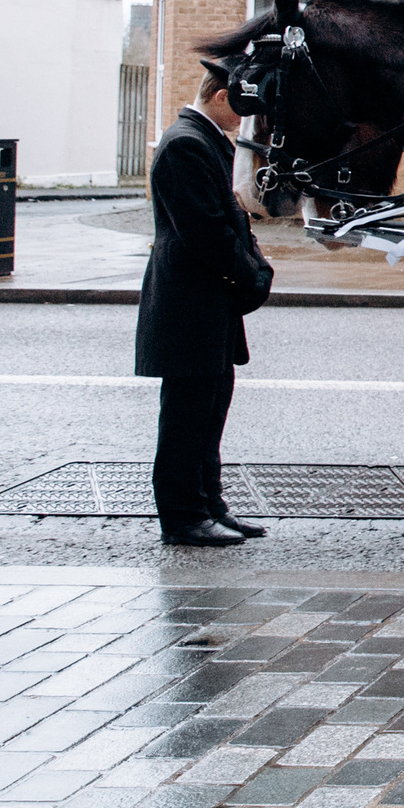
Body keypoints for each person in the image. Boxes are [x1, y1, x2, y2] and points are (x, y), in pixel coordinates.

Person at [135, 68, 275, 547]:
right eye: (240, 107)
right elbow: (206, 231)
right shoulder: (184, 144)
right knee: (187, 415)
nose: (244, 120)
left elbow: (233, 217)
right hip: (189, 301)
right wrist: (252, 273)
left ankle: (210, 505)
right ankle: (183, 516)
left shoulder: (205, 137)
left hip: (208, 298)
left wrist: (253, 263)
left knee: (211, 407)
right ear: (218, 96)